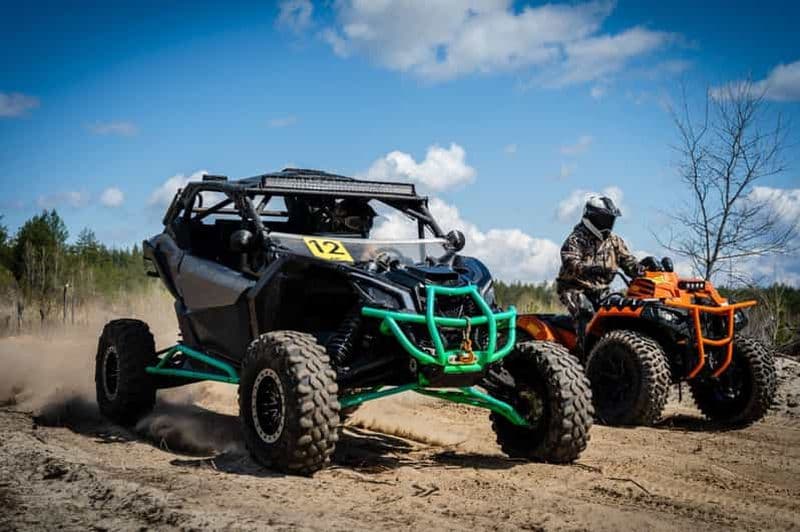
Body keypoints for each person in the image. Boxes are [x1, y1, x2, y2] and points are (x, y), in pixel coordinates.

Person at [556, 195, 639, 320]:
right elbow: (570, 262)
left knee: (622, 310)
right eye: (604, 219)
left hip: (601, 291)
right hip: (574, 289)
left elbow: (628, 262)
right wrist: (589, 269)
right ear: (591, 217)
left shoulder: (614, 240)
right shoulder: (576, 239)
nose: (608, 223)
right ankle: (582, 339)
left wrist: (641, 268)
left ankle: (613, 339)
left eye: (610, 219)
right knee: (586, 311)